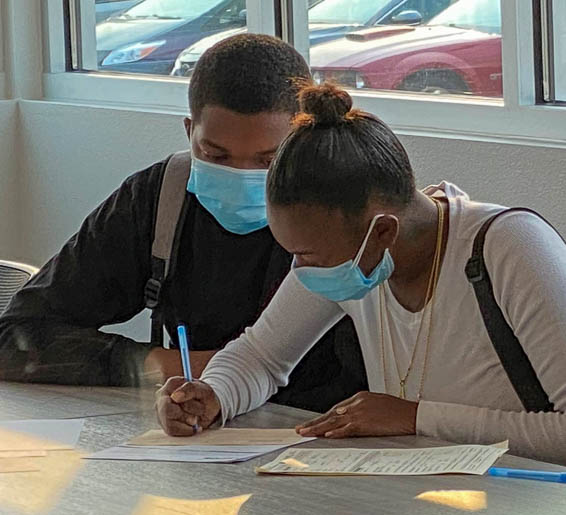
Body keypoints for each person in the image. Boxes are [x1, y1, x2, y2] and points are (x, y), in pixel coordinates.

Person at [157, 82, 566, 464]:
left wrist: (415, 418)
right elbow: (261, 355)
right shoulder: (357, 252)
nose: (299, 270)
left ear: (383, 231)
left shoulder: (510, 247)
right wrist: (212, 394)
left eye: (308, 256)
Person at [0, 35, 368, 412]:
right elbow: (15, 338)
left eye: (268, 162)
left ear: (302, 143)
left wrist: (239, 367)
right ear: (190, 131)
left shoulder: (347, 216)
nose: (242, 176)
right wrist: (171, 367)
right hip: (198, 430)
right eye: (215, 155)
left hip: (326, 435)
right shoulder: (161, 201)